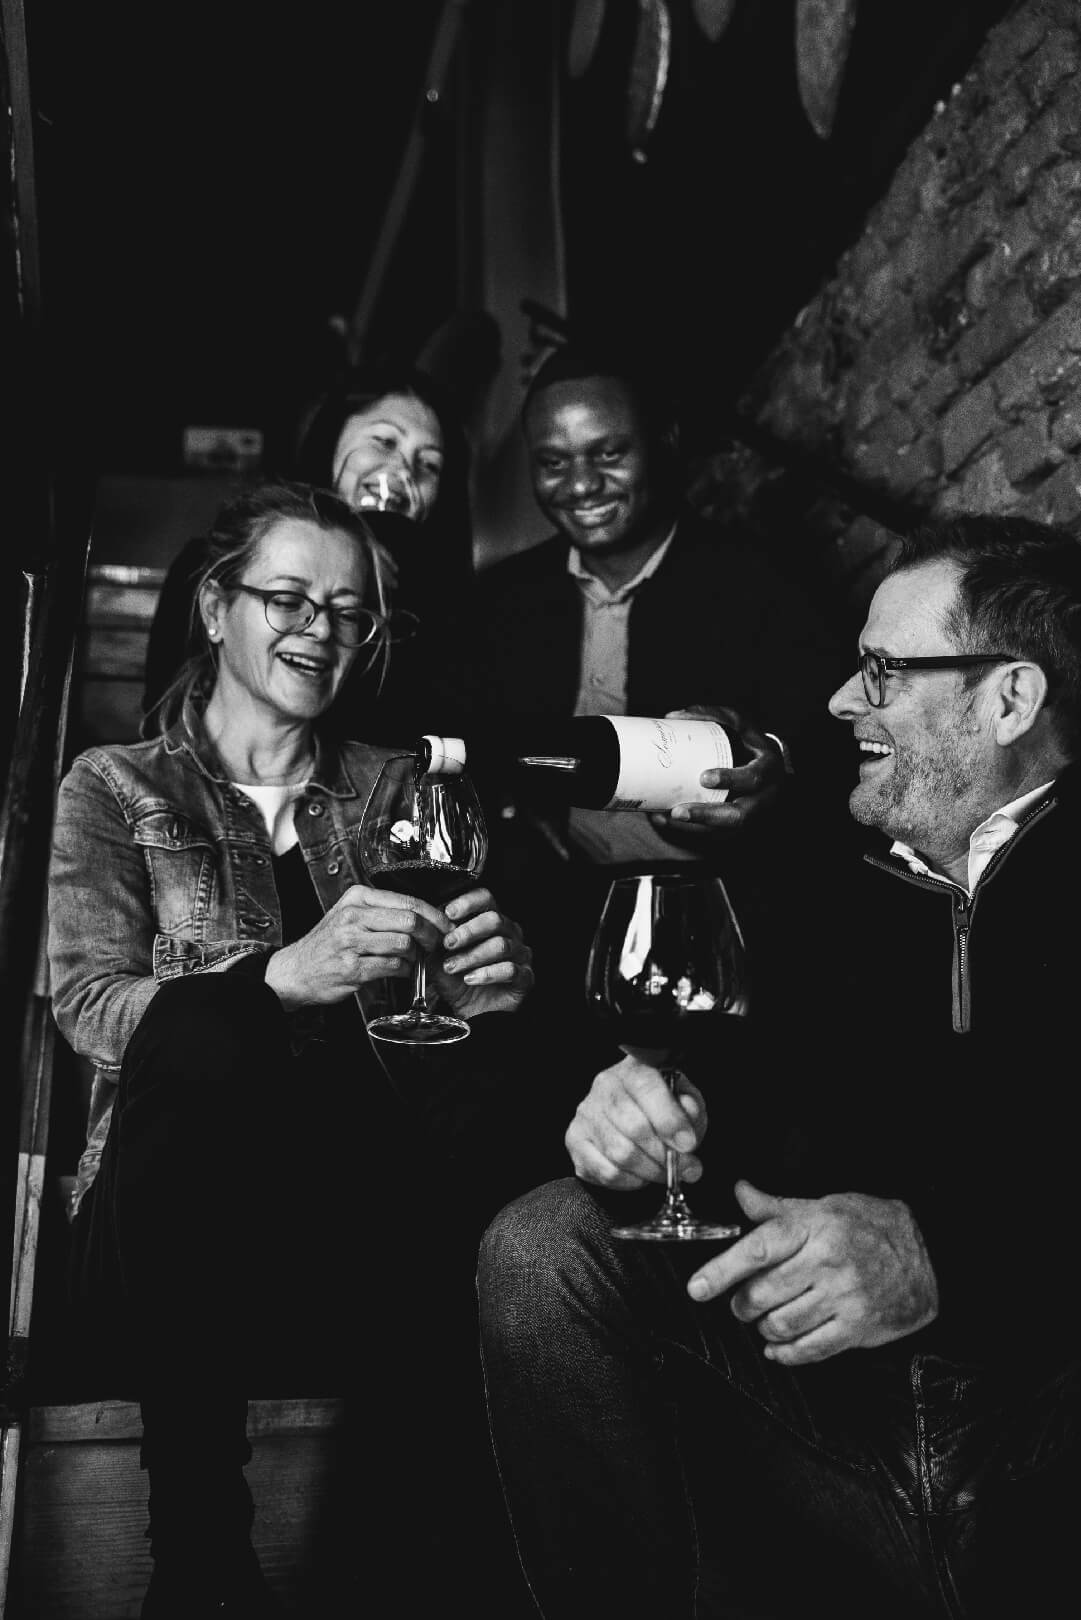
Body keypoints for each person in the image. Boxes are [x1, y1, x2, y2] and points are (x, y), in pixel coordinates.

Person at [475, 512, 1081, 1618]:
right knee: (546, 1245)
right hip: (843, 1430)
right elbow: (756, 1106)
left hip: (1040, 1449)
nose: (843, 701)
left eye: (882, 671)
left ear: (1009, 698)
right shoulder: (829, 886)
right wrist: (661, 1118)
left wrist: (944, 1258)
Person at [47, 482, 537, 1618]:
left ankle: (427, 1563)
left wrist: (497, 983)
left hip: (357, 1220)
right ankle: (201, 1555)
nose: (321, 629)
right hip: (169, 1231)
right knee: (197, 1043)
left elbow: (444, 1023)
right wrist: (279, 978)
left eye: (349, 611)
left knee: (475, 1132)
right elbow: (89, 1006)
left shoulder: (402, 786)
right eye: (289, 599)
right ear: (216, 606)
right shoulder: (114, 786)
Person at [444, 341, 851, 1056]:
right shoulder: (500, 602)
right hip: (542, 923)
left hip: (717, 914)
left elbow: (824, 734)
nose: (580, 484)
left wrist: (774, 767)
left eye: (608, 453)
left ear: (663, 441)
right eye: (552, 462)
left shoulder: (759, 580)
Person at [142, 360, 474, 743]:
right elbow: (163, 722)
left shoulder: (445, 606)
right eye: (384, 441)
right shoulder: (214, 564)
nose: (403, 470)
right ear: (332, 440)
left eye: (429, 464)